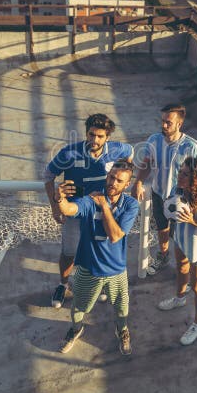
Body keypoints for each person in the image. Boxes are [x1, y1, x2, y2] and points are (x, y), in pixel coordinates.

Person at [45, 114, 133, 308]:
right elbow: (48, 175)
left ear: (107, 137)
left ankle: (95, 284)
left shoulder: (118, 149)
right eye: (91, 134)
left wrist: (127, 177)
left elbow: (130, 153)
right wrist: (54, 206)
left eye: (100, 136)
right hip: (76, 210)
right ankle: (63, 284)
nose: (94, 140)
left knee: (96, 249)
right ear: (86, 133)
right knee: (69, 251)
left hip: (101, 211)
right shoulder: (69, 153)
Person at [54, 160, 140, 355]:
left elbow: (116, 235)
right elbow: (69, 210)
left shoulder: (131, 205)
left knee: (121, 308)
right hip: (88, 268)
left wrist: (104, 206)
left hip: (116, 269)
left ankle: (122, 330)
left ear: (127, 185)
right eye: (111, 177)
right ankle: (76, 329)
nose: (113, 183)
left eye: (119, 181)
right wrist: (59, 199)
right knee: (78, 308)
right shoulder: (90, 199)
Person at [133, 104, 197, 275]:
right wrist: (138, 182)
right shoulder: (153, 140)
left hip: (182, 199)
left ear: (179, 124)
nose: (164, 125)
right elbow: (147, 164)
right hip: (159, 194)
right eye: (162, 121)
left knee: (182, 236)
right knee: (162, 229)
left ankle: (184, 272)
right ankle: (163, 256)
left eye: (168, 122)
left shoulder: (191, 147)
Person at [157, 157, 197, 345]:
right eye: (180, 172)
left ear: (196, 178)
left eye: (185, 174)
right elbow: (171, 206)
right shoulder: (177, 190)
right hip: (181, 240)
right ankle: (179, 298)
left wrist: (193, 221)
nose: (180, 176)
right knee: (181, 270)